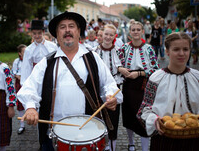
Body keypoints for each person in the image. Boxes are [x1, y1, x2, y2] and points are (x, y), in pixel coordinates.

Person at [18, 11, 123, 151]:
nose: (67, 30)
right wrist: (30, 107)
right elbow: (29, 87)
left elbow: (109, 84)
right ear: (57, 34)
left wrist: (111, 96)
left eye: (71, 26)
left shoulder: (93, 58)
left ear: (79, 31)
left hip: (88, 133)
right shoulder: (47, 62)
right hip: (55, 135)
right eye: (62, 27)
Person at [137, 32, 199, 151]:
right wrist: (154, 120)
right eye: (176, 49)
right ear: (167, 52)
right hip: (164, 139)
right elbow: (144, 110)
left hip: (195, 139)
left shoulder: (198, 78)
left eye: (185, 49)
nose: (182, 53)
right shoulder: (156, 78)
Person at [117, 21, 159, 151]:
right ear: (130, 32)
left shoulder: (149, 49)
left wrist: (140, 73)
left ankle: (145, 148)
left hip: (143, 85)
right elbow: (115, 62)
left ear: (142, 31)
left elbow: (156, 69)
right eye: (133, 30)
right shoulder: (123, 48)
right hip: (128, 85)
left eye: (138, 29)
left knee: (143, 117)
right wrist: (120, 68)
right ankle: (131, 143)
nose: (135, 32)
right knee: (129, 116)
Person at [95, 24, 124, 151]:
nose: (108, 37)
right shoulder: (95, 51)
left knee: (113, 118)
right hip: (98, 87)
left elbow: (124, 68)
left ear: (114, 36)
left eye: (111, 35)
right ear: (101, 35)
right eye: (106, 34)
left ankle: (112, 146)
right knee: (98, 117)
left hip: (114, 87)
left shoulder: (119, 51)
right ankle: (100, 144)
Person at [20, 20, 57, 86]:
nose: (37, 36)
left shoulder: (53, 46)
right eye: (34, 33)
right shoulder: (29, 50)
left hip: (50, 75)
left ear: (43, 32)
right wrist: (25, 84)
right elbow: (26, 67)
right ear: (31, 33)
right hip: (36, 77)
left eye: (39, 33)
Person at [12, 44, 27, 134]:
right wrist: (21, 79)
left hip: (29, 82)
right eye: (24, 52)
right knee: (20, 104)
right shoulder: (17, 61)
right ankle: (22, 125)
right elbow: (14, 73)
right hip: (20, 84)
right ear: (20, 53)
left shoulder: (30, 60)